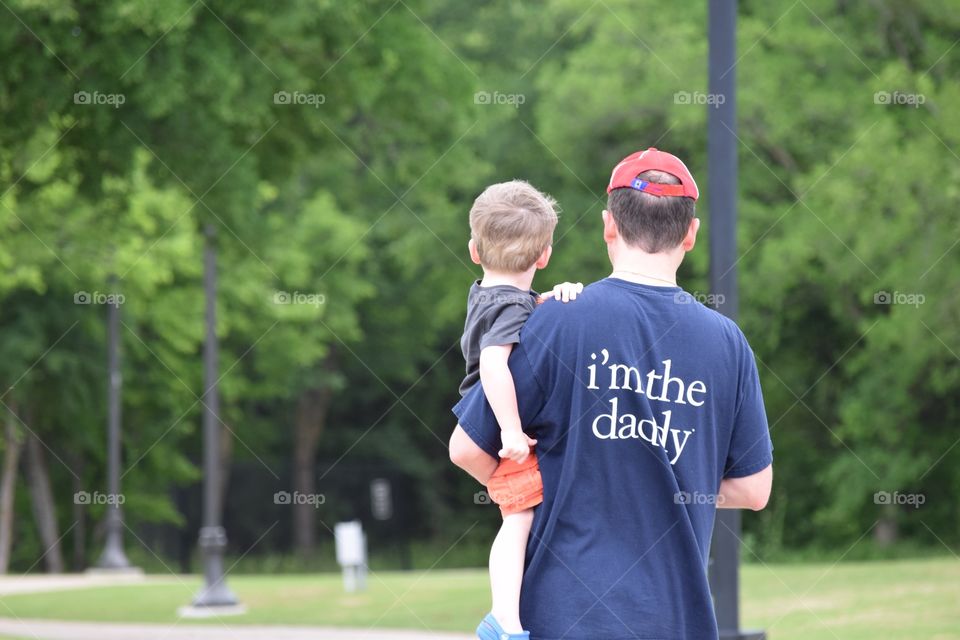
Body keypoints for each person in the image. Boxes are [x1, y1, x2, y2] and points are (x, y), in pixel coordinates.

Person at [450, 148, 774, 640]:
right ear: (691, 233)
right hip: (678, 623)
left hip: (563, 619)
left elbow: (467, 448)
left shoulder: (554, 322)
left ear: (607, 226)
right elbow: (754, 490)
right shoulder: (728, 344)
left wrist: (549, 487)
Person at [458, 180, 583, 640]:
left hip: (491, 424)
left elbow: (521, 311)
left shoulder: (485, 294)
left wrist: (549, 298)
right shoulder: (511, 305)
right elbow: (494, 363)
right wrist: (510, 431)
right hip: (496, 426)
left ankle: (507, 616)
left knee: (521, 513)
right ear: (544, 255)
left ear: (474, 250)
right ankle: (504, 621)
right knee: (520, 517)